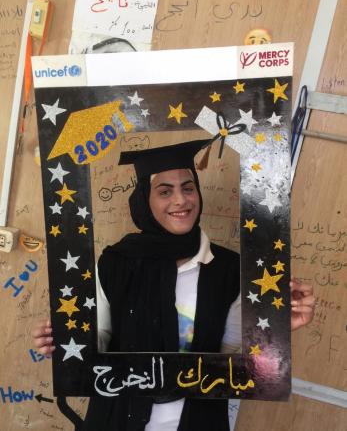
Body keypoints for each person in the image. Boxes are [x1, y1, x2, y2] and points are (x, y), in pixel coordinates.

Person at [32, 139, 315, 431]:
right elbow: (99, 338)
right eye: (165, 191)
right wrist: (65, 343)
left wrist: (274, 331)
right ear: (145, 199)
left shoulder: (228, 270)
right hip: (115, 419)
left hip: (198, 421)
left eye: (188, 188)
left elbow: (231, 358)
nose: (181, 200)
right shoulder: (116, 262)